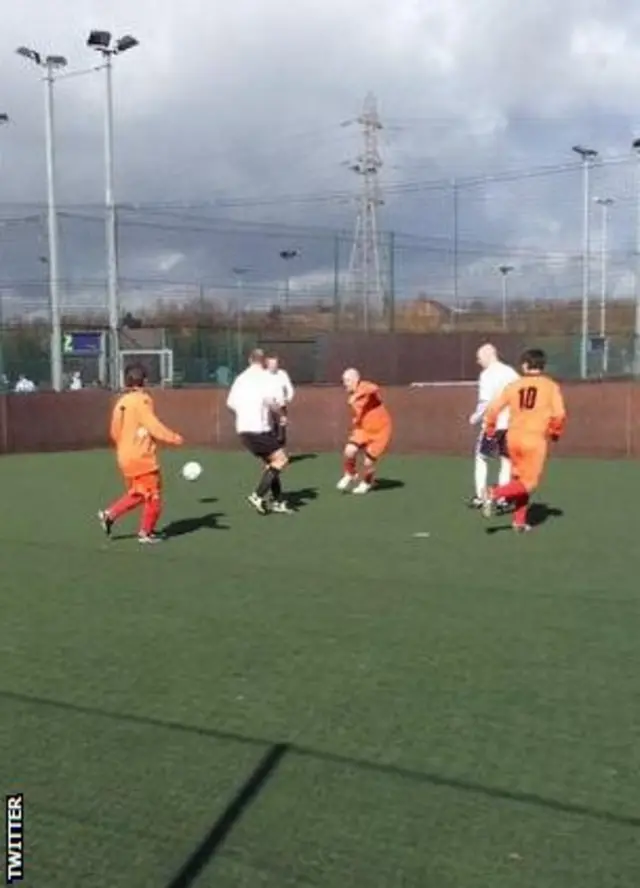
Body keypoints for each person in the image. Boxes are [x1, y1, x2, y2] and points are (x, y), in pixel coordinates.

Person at [482, 348, 566, 532]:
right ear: (542, 366)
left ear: (524, 366)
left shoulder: (513, 386)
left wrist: (489, 429)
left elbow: (493, 409)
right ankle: (494, 493)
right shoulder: (550, 386)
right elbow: (559, 414)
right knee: (529, 483)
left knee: (519, 480)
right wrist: (555, 431)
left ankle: (519, 521)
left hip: (513, 438)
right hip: (534, 439)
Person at [98, 363, 184, 543]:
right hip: (142, 457)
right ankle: (146, 533)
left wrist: (126, 445)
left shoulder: (121, 401)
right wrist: (173, 437)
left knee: (138, 492)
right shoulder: (143, 399)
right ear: (144, 381)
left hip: (124, 456)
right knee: (154, 495)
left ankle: (109, 515)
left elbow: (114, 432)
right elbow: (152, 424)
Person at [226, 349, 292, 514]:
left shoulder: (240, 378)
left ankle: (277, 501)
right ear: (263, 362)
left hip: (243, 429)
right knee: (281, 460)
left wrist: (244, 413)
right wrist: (281, 416)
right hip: (259, 429)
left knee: (272, 463)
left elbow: (230, 403)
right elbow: (273, 401)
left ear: (249, 360)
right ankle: (257, 495)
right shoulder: (265, 378)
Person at [468, 343, 519, 509]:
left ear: (488, 356)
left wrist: (475, 418)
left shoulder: (487, 374)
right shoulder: (511, 372)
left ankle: (481, 496)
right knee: (506, 460)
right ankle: (503, 498)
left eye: (479, 357)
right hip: (511, 423)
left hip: (493, 423)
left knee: (481, 458)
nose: (478, 361)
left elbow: (485, 402)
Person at [337, 368, 392, 494]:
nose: (345, 383)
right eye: (344, 381)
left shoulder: (364, 386)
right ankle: (350, 474)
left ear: (355, 380)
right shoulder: (350, 397)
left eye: (347, 380)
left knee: (368, 462)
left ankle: (367, 482)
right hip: (363, 429)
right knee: (349, 451)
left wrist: (357, 395)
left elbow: (375, 388)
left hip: (381, 430)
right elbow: (359, 414)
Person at [265, 354, 295, 447]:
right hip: (267, 407)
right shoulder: (262, 375)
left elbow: (290, 388)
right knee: (270, 429)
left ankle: (281, 452)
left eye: (275, 363)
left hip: (281, 406)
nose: (273, 366)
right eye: (271, 363)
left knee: (281, 431)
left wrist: (287, 399)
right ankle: (271, 453)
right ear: (267, 364)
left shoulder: (282, 374)